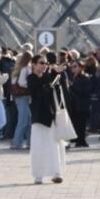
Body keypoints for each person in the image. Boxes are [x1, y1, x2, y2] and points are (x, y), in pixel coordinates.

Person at [27, 55, 66, 184]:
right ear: (33, 64)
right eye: (41, 63)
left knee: (54, 145)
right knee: (38, 146)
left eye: (46, 63)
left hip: (51, 116)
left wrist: (56, 73)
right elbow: (39, 91)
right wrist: (52, 75)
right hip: (38, 117)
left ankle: (56, 173)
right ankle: (38, 175)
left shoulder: (48, 76)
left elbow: (57, 88)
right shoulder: (31, 78)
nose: (44, 65)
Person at [9, 51, 33, 149]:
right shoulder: (25, 68)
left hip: (18, 96)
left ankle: (28, 142)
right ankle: (17, 142)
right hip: (24, 96)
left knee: (26, 120)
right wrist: (31, 86)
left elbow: (14, 82)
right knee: (24, 121)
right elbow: (22, 82)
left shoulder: (18, 69)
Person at [68, 60, 92, 148]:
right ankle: (78, 139)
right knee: (76, 122)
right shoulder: (73, 77)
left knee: (81, 123)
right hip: (74, 104)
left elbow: (83, 92)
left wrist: (71, 86)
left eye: (75, 66)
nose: (73, 68)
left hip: (82, 104)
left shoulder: (84, 78)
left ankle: (81, 140)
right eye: (72, 67)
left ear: (81, 68)